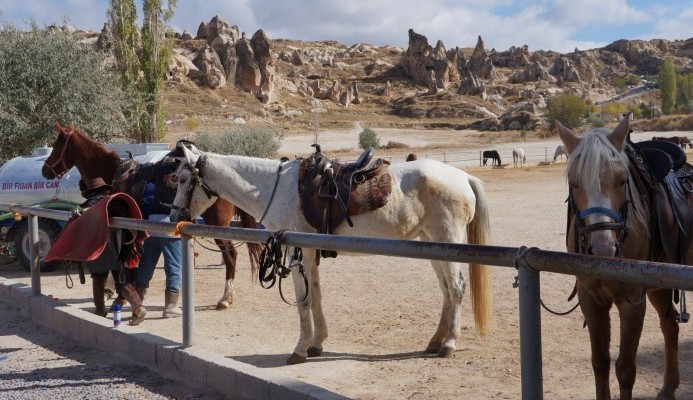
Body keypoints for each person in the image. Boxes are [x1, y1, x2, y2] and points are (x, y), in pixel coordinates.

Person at [78, 177, 147, 325]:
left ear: (88, 192)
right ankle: (138, 307)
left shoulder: (88, 204)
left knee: (98, 277)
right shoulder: (116, 202)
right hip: (120, 245)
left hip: (98, 245)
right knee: (121, 281)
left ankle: (100, 310)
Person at [134, 157, 183, 318]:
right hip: (172, 222)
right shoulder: (187, 168)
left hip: (153, 221)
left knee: (146, 263)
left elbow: (143, 171)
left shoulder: (160, 166)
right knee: (173, 265)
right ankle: (171, 306)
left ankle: (138, 301)